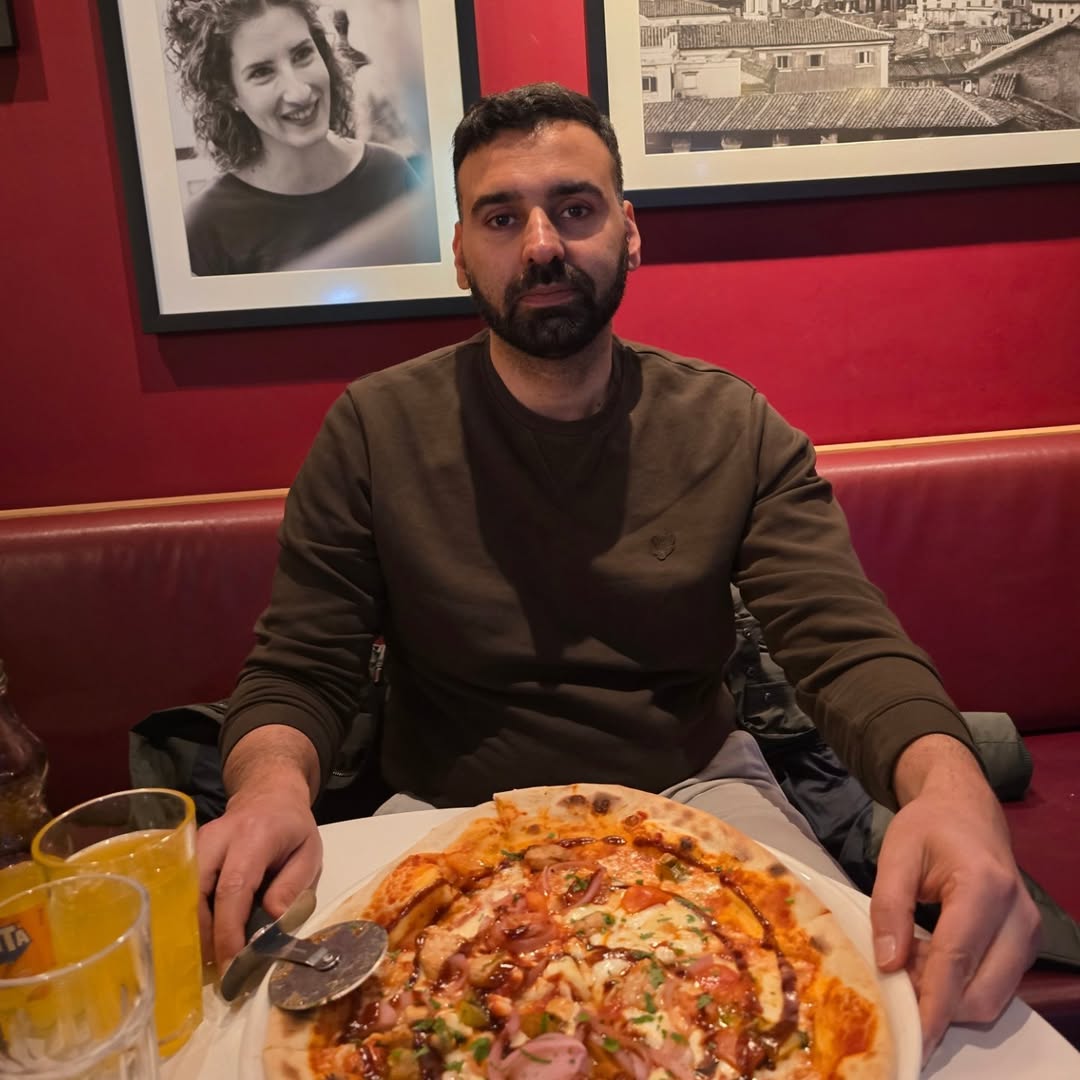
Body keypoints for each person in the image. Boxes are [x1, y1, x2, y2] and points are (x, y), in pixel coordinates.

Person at [198, 82, 1040, 1061]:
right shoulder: (370, 431)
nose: (542, 245)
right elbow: (303, 663)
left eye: (575, 208)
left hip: (697, 788)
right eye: (502, 218)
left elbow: (843, 644)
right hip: (439, 816)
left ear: (630, 233)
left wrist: (950, 788)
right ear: (460, 251)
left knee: (843, 1030)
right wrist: (268, 791)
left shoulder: (733, 426)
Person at [163, 0, 438, 276]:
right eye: (262, 72)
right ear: (229, 94)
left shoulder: (390, 171)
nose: (299, 92)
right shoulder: (205, 228)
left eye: (302, 54)